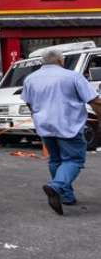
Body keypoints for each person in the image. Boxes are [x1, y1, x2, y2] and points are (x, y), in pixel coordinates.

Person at [22, 49, 101, 215]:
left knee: (55, 159)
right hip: (68, 125)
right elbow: (94, 100)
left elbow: (29, 103)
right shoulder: (72, 76)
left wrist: (39, 116)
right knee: (74, 160)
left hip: (44, 126)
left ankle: (66, 196)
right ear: (61, 61)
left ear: (43, 62)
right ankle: (56, 186)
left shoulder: (30, 78)